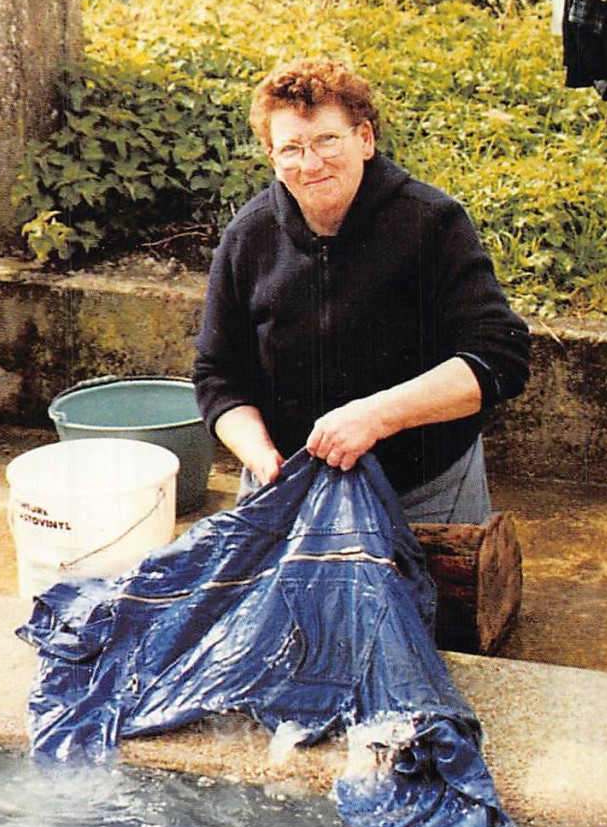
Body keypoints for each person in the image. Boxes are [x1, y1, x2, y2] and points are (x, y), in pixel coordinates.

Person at [192, 58, 530, 524]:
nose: (310, 164)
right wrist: (261, 457)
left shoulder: (431, 222)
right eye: (291, 148)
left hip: (421, 489)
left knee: (431, 598)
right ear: (272, 157)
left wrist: (376, 417)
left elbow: (499, 360)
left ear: (365, 139)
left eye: (327, 140)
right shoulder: (248, 236)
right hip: (287, 485)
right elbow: (217, 375)